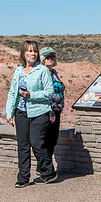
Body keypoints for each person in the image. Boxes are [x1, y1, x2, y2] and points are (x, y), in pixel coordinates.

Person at [5, 41, 56, 188]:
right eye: (29, 51)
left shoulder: (42, 70)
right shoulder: (18, 71)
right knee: (23, 145)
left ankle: (48, 172)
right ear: (24, 54)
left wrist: (31, 94)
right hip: (21, 112)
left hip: (39, 111)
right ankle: (23, 177)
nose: (33, 54)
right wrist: (10, 112)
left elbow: (49, 92)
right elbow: (13, 92)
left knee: (36, 143)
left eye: (35, 51)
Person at [38, 46, 65, 177]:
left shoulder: (53, 72)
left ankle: (42, 167)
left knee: (52, 139)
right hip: (48, 110)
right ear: (42, 59)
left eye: (52, 56)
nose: (51, 59)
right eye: (47, 57)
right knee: (46, 139)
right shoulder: (41, 72)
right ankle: (46, 169)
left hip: (56, 109)